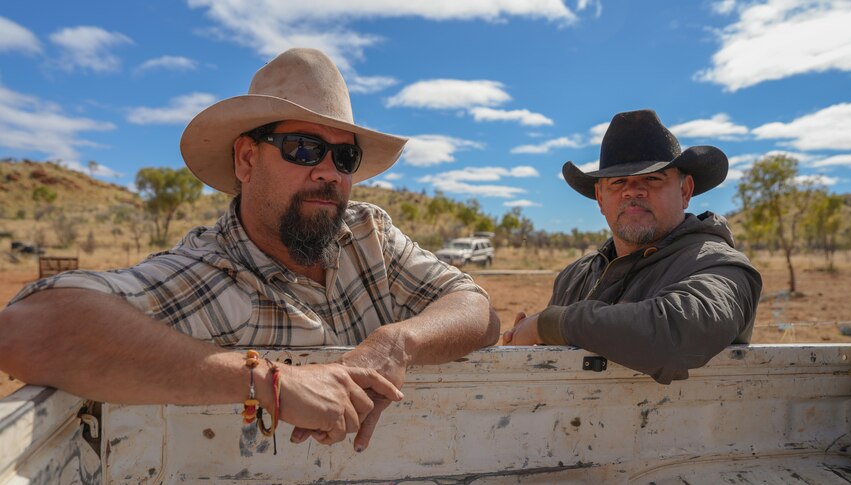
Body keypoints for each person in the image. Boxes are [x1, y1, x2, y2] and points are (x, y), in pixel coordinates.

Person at [0, 48, 499, 451]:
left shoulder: (368, 234)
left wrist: (396, 343)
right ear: (245, 158)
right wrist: (269, 382)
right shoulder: (206, 272)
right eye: (304, 148)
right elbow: (28, 330)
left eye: (344, 156)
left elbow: (478, 311)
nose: (328, 171)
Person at [502, 109, 762, 384]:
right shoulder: (576, 274)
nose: (633, 190)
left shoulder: (720, 266)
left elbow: (675, 337)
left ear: (685, 191)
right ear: (600, 198)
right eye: (617, 182)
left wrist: (548, 324)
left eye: (653, 178)